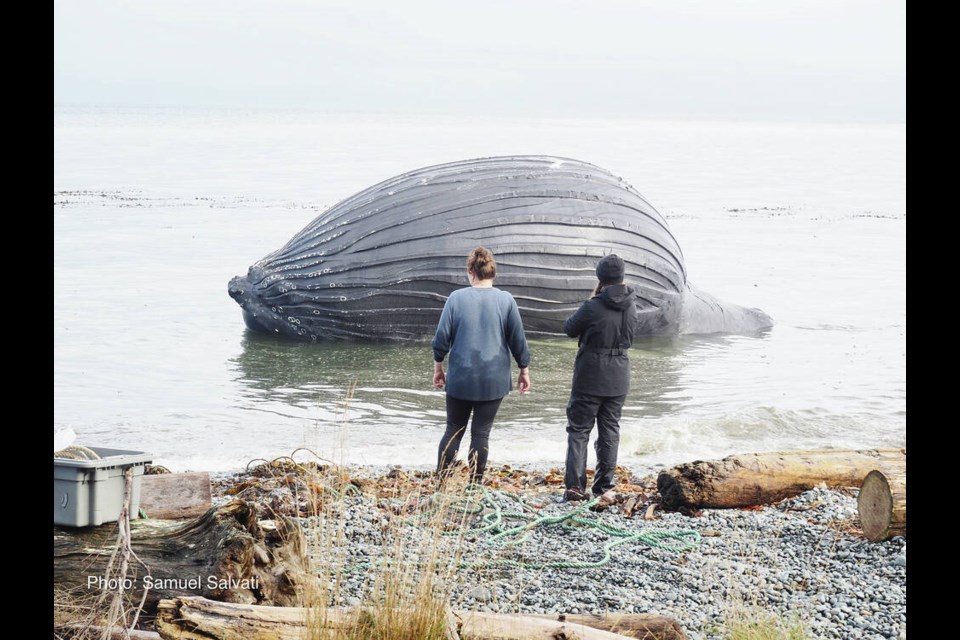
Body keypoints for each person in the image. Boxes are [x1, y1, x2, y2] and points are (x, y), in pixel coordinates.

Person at [432, 246, 532, 484]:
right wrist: (524, 370)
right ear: (493, 274)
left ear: (471, 272)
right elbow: (518, 339)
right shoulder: (506, 300)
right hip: (493, 378)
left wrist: (438, 368)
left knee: (453, 429)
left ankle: (442, 483)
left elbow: (441, 339)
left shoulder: (456, 298)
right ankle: (474, 486)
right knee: (481, 433)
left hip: (461, 376)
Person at [562, 254, 637, 502]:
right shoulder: (632, 304)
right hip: (619, 376)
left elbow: (569, 328)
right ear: (622, 276)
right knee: (610, 431)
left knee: (579, 430)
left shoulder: (593, 305)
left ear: (600, 277)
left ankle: (575, 488)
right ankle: (604, 487)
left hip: (590, 376)